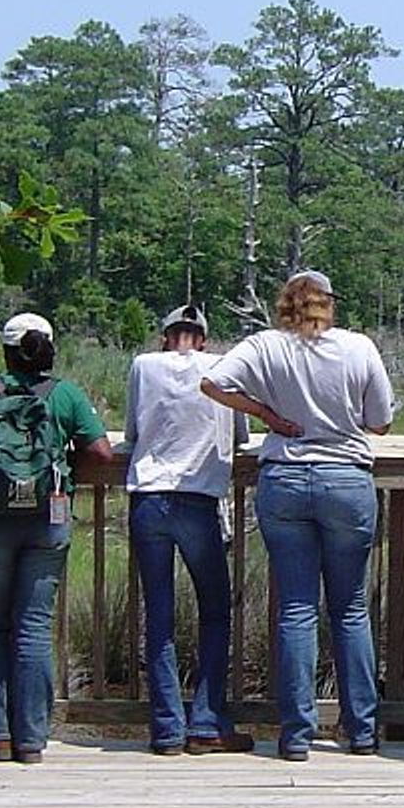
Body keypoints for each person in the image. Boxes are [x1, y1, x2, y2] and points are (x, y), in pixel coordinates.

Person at [201, 270, 394, 762]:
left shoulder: (265, 346)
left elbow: (212, 382)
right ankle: (362, 731)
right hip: (346, 479)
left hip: (284, 479)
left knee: (296, 610)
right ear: (328, 304)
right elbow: (381, 421)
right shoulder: (358, 348)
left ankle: (296, 736)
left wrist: (267, 415)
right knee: (350, 609)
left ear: (285, 303)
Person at [0, 313, 112, 765]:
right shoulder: (65, 394)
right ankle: (31, 739)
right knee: (33, 628)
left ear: (6, 351)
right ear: (49, 349)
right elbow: (101, 452)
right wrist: (65, 462)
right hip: (48, 516)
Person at [125, 301, 253, 757]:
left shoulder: (142, 366)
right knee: (215, 612)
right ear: (201, 338)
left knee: (158, 617)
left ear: (166, 336)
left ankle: (166, 730)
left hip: (149, 497)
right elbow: (240, 437)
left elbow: (132, 432)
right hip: (199, 500)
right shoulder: (222, 366)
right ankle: (204, 722)